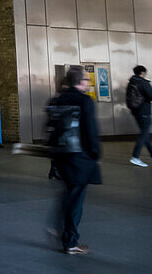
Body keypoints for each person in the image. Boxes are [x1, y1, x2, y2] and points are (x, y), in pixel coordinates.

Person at [50, 66, 101, 255]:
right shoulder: (85, 101)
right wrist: (95, 154)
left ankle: (62, 231)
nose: (88, 83)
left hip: (61, 155)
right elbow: (90, 131)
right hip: (79, 157)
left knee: (68, 195)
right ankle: (71, 242)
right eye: (86, 80)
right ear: (80, 82)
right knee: (76, 200)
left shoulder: (57, 99)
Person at [126, 65, 152, 167]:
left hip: (136, 112)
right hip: (144, 112)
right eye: (145, 73)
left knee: (145, 135)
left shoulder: (131, 82)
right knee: (144, 134)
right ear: (142, 73)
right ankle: (135, 157)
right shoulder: (143, 83)